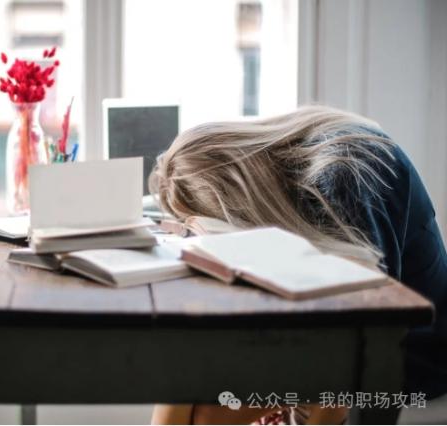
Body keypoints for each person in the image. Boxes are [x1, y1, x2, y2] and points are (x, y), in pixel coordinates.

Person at [148, 105, 447, 425]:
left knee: (203, 411)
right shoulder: (299, 167)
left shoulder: (345, 174)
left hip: (415, 361)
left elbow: (362, 349)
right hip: (339, 343)